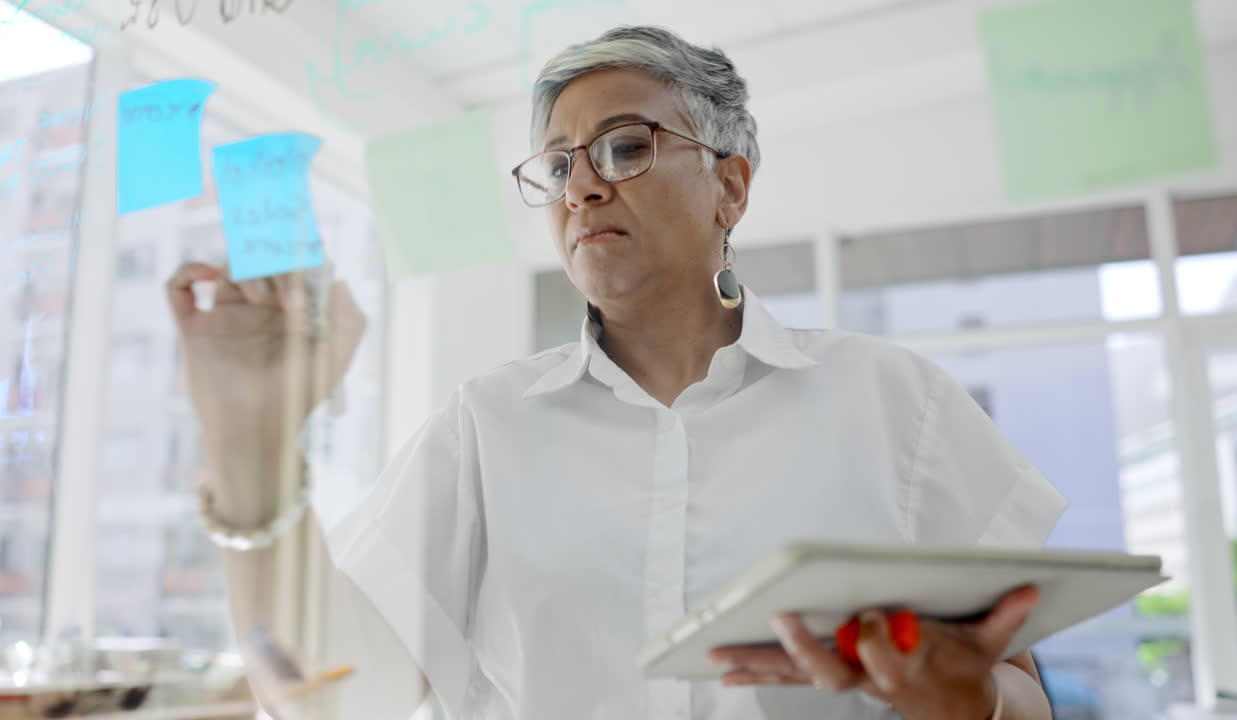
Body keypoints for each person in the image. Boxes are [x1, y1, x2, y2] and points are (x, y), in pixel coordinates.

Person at [166, 25, 1067, 720]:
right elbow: (325, 695)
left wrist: (977, 701)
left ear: (731, 188)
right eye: (559, 165)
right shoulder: (486, 425)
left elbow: (1021, 689)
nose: (581, 188)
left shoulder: (893, 401)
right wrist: (250, 449)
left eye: (625, 147)